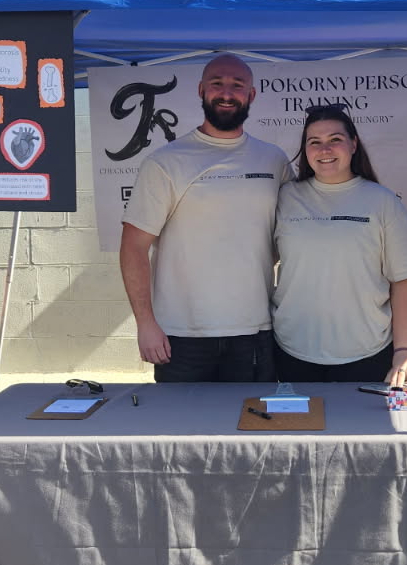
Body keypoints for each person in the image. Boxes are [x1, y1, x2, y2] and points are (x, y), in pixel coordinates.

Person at [120, 54, 292, 382]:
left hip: (254, 330)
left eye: (237, 85)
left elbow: (290, 235)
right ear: (201, 90)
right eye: (216, 84)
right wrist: (145, 324)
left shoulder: (274, 160)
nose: (226, 93)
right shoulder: (165, 162)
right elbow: (133, 247)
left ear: (251, 95)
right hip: (182, 335)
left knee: (251, 417)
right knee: (182, 418)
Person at [271, 104, 407, 386]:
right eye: (314, 142)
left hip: (366, 353)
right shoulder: (285, 198)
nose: (324, 149)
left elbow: (403, 281)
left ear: (353, 144)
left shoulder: (383, 202)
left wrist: (404, 350)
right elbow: (259, 260)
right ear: (305, 150)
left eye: (335, 139)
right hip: (291, 350)